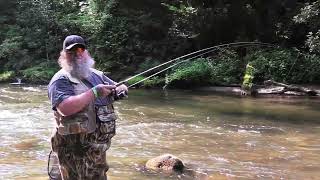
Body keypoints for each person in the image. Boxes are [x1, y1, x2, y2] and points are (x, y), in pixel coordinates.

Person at [47, 35, 128, 180]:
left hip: (97, 149)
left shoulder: (98, 75)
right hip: (73, 150)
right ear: (64, 55)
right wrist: (95, 92)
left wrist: (121, 90)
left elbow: (119, 85)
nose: (77, 54)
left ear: (86, 52)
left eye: (80, 50)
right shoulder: (60, 80)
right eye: (71, 52)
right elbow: (64, 108)